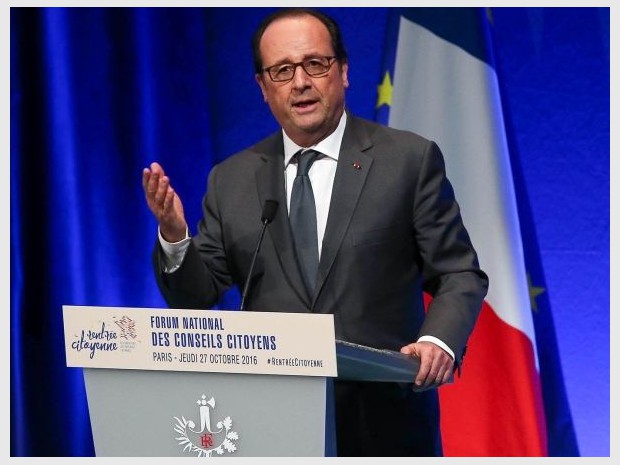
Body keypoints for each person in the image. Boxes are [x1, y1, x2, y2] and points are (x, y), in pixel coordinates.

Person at [142, 8, 488, 457]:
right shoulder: (232, 179)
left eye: (315, 64)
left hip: (383, 424)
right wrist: (174, 236)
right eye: (282, 71)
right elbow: (195, 295)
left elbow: (460, 273)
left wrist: (436, 341)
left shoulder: (407, 160)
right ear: (263, 89)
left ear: (343, 71)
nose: (300, 82)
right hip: (270, 425)